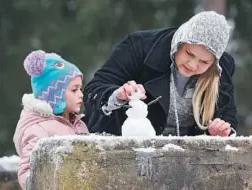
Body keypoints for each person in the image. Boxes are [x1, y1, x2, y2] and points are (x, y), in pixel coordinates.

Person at [83, 11, 237, 137]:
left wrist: (220, 131)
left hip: (188, 160)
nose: (192, 65)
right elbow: (93, 90)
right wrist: (117, 96)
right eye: (189, 53)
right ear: (179, 42)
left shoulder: (221, 70)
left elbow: (228, 118)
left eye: (204, 62)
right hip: (125, 149)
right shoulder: (139, 47)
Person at [13, 50, 89, 189]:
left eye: (81, 89)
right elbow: (26, 173)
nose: (81, 95)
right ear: (55, 95)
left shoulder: (80, 125)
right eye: (74, 90)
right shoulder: (39, 129)